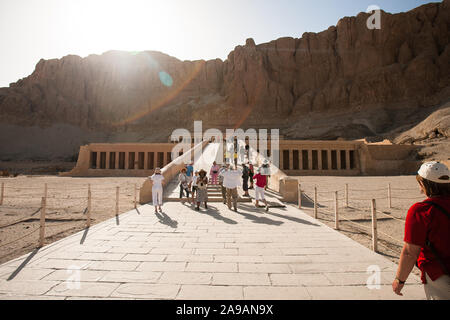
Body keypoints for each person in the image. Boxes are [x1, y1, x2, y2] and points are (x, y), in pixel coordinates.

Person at [392, 161, 450, 299]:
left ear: (424, 184)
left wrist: (400, 280)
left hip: (440, 274)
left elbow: (409, 252)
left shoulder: (422, 210)